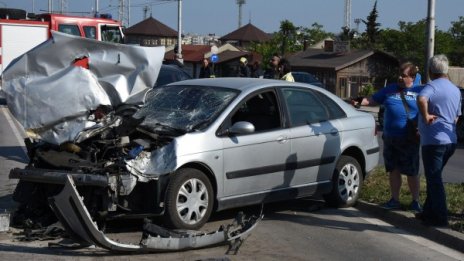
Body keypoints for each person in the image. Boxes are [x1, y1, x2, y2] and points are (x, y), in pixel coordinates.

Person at [352, 62, 423, 212]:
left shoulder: (420, 90)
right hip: (391, 138)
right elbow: (372, 100)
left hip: (409, 138)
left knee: (412, 171)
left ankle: (415, 202)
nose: (399, 77)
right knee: (393, 169)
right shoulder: (390, 89)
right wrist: (359, 102)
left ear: (412, 77)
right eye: (399, 74)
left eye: (403, 75)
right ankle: (395, 200)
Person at [415, 54, 461, 227]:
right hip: (450, 140)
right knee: (434, 177)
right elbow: (457, 117)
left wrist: (426, 116)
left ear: (430, 70)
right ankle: (428, 212)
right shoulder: (455, 89)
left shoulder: (432, 87)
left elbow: (421, 98)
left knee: (434, 179)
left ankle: (440, 218)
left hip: (434, 141)